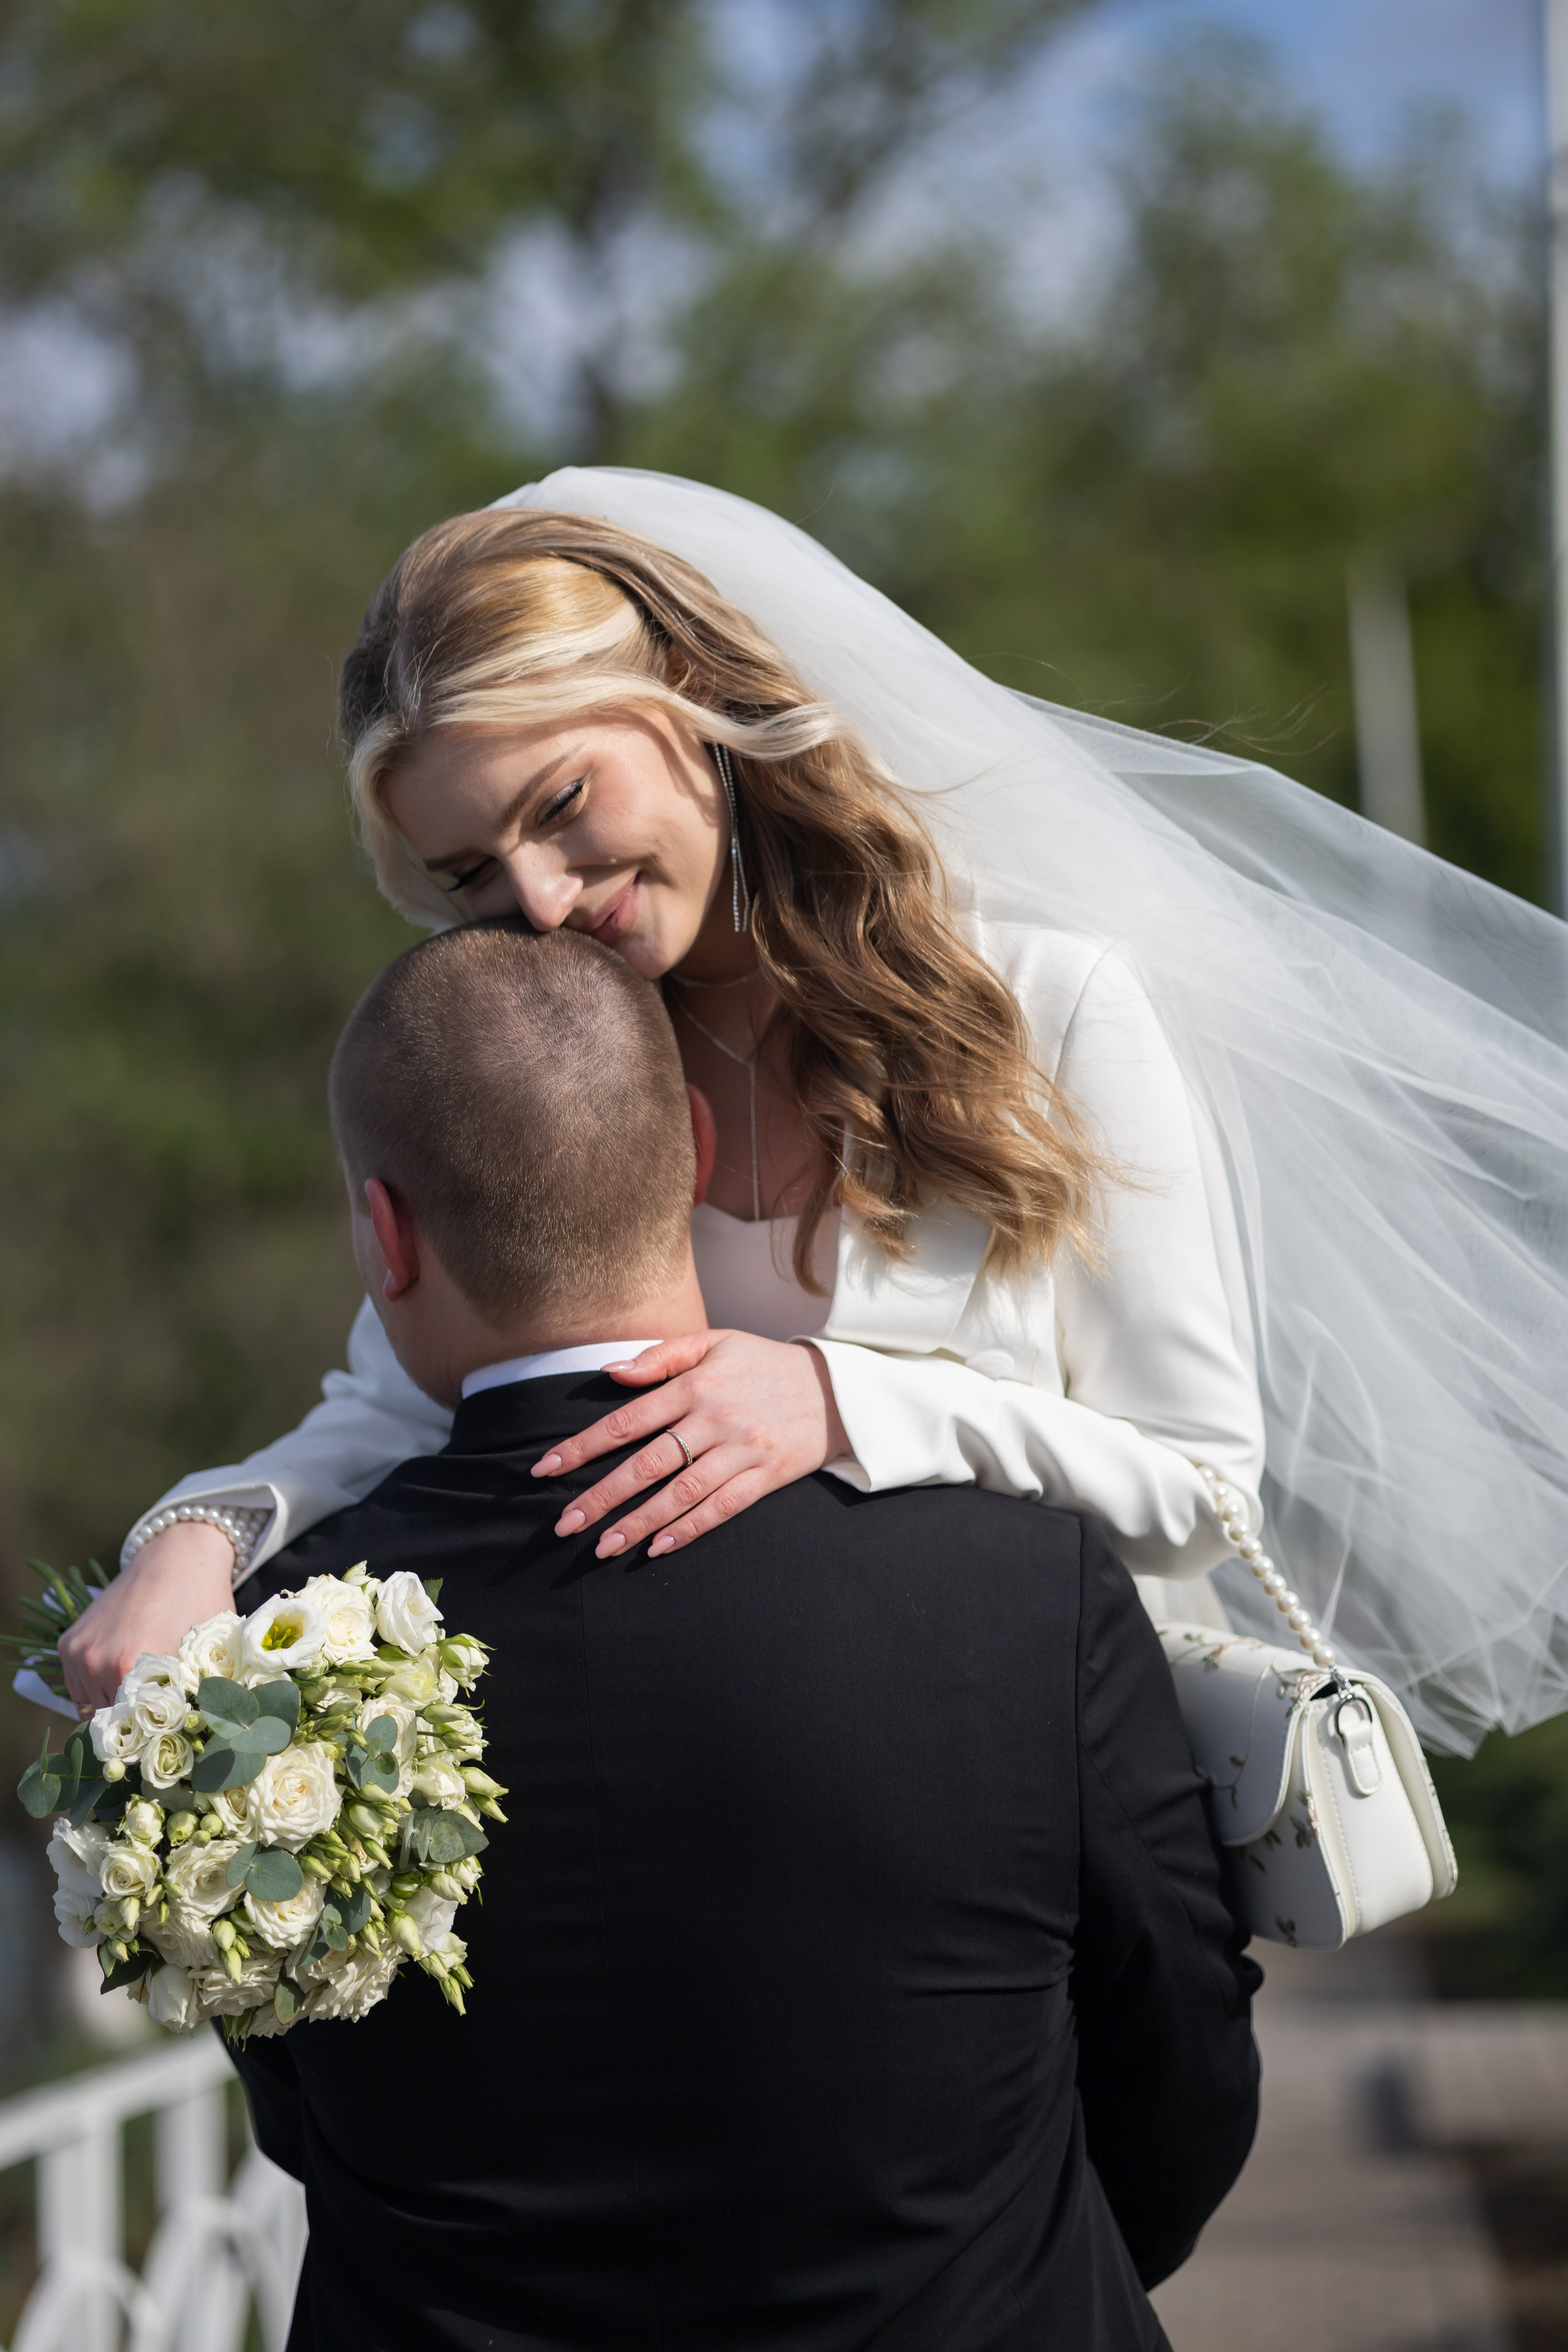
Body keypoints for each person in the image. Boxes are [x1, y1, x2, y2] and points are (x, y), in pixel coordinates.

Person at [61, 472, 1568, 1753]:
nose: (531, 899)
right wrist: (199, 1534)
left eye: (561, 804)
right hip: (717, 1831)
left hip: (1038, 1813)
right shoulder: (559, 1052)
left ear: (695, 705)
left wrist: (840, 1402)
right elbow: (396, 1401)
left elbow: (1194, 1489)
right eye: (467, 874)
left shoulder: (1048, 1004)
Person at [233, 916, 1261, 2352]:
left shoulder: (267, 1659)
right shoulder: (1023, 1585)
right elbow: (1185, 2051)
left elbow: (303, 2106)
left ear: (384, 1238)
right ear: (696, 1157)